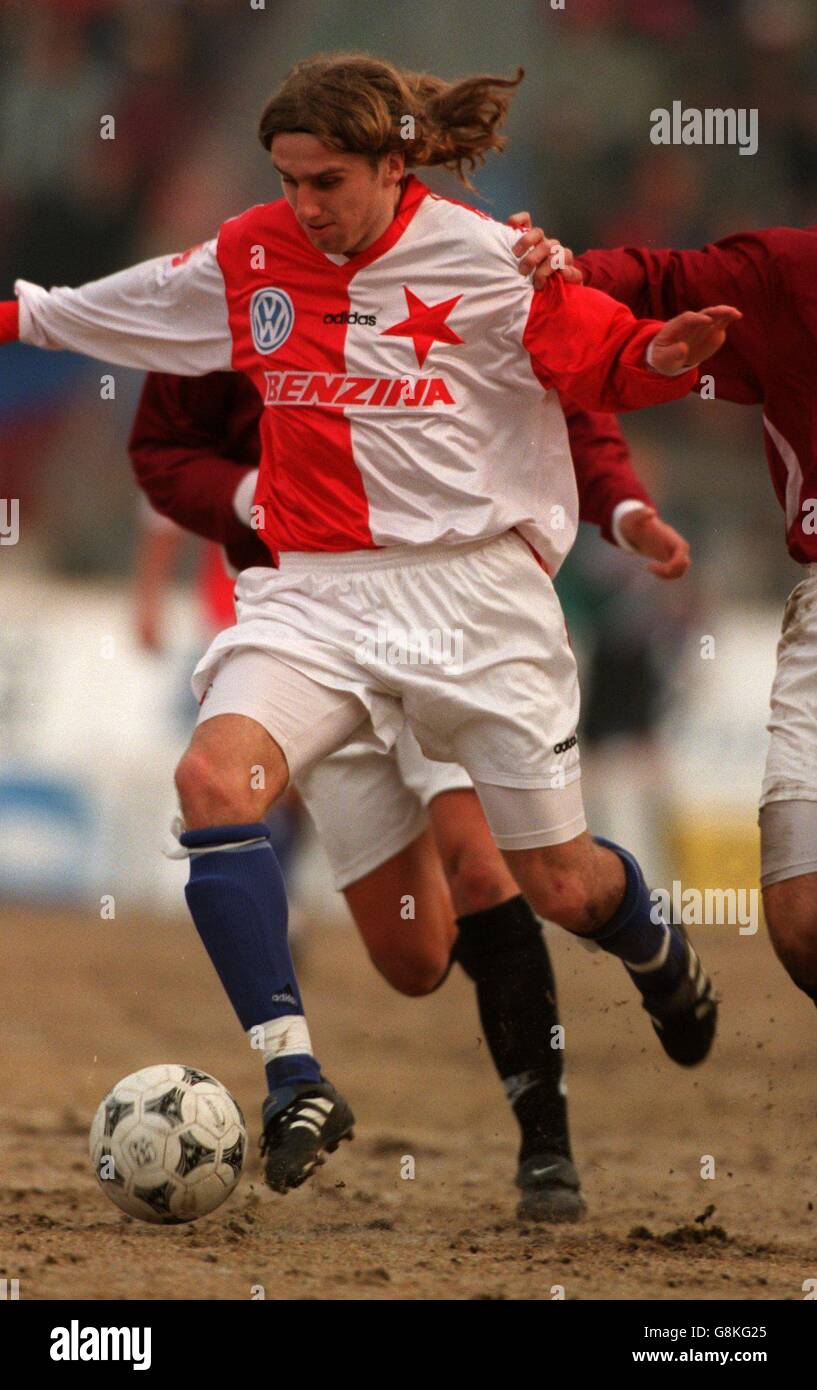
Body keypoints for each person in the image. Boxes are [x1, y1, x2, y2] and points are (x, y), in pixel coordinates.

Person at [0, 54, 736, 1196]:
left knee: (555, 884)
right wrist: (14, 314)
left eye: (327, 181)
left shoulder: (495, 260)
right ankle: (296, 1076)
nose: (304, 204)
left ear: (396, 168)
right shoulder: (252, 254)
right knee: (214, 787)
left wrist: (655, 359)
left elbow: (595, 357)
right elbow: (110, 308)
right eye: (288, 179)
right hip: (319, 593)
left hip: (472, 604)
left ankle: (649, 946)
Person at [129, 367, 690, 1219]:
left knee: (485, 869)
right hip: (314, 630)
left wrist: (619, 505)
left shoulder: (447, 265)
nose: (312, 223)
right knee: (413, 958)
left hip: (451, 625)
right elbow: (166, 455)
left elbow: (568, 378)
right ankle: (341, 1009)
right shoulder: (235, 296)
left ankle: (546, 1152)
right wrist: (244, 505)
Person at [510, 218, 817, 1014]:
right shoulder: (791, 274)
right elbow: (646, 280)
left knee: (632, 767)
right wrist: (550, 265)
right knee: (801, 920)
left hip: (627, 666)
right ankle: (652, 891)